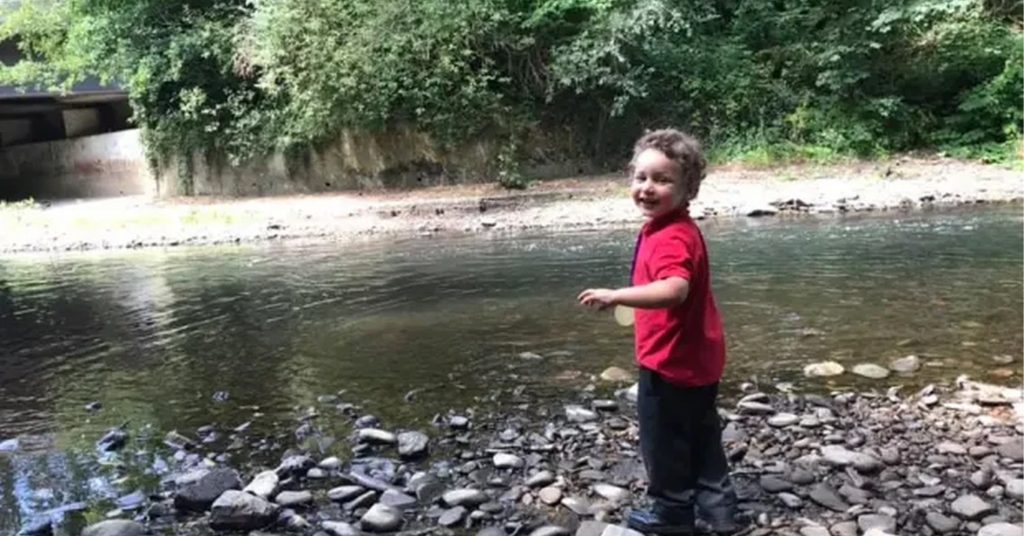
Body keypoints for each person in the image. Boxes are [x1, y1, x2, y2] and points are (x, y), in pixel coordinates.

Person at [577, 129, 742, 535]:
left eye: (662, 180)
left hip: (671, 361)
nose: (647, 188)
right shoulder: (675, 227)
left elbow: (674, 289)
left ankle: (671, 512)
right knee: (701, 434)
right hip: (699, 356)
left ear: (689, 190)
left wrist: (617, 295)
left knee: (664, 441)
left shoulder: (670, 237)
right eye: (641, 177)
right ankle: (719, 510)